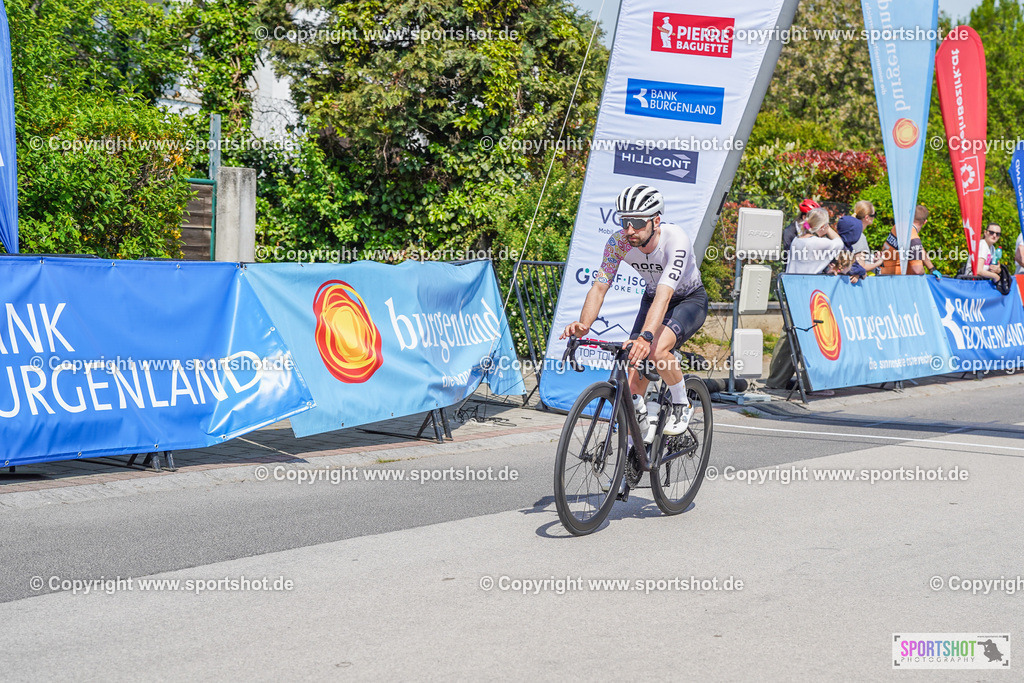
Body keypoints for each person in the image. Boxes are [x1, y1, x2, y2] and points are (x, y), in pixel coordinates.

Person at [560, 184, 707, 438]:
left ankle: (683, 403)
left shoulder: (676, 240)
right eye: (625, 221)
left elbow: (665, 294)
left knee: (655, 349)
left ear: (656, 220)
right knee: (631, 388)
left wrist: (646, 336)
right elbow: (599, 287)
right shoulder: (618, 243)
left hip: (687, 300)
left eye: (637, 222)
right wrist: (584, 324)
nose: (629, 230)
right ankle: (636, 449)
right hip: (652, 298)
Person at [879, 205, 935, 275]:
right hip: (892, 277)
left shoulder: (898, 226)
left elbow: (920, 249)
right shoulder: (914, 239)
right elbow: (918, 270)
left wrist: (932, 268)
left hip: (882, 269)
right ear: (925, 222)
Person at [786, 208, 844, 274]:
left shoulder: (796, 240)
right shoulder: (819, 243)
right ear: (822, 227)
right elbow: (840, 242)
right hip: (806, 283)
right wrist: (828, 229)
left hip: (790, 282)